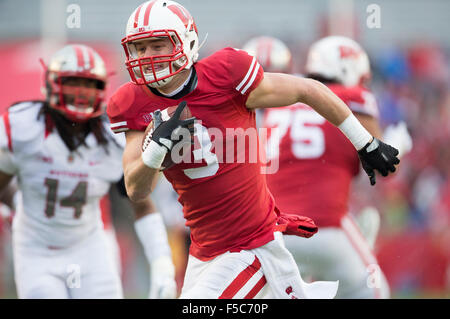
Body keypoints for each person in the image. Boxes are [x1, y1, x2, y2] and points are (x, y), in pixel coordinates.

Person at [107, 0, 400, 299]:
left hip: (252, 244)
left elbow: (308, 89)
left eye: (157, 45)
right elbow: (136, 188)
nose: (147, 56)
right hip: (204, 250)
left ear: (187, 41)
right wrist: (156, 150)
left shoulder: (226, 75)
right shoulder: (132, 103)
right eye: (140, 48)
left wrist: (366, 143)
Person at [0, 44, 176, 299]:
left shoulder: (111, 140)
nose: (81, 93)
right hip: (37, 249)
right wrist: (14, 203)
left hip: (90, 248)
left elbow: (141, 204)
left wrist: (162, 263)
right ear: (51, 84)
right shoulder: (22, 126)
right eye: (73, 83)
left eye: (89, 84)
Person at [262, 35, 411, 298]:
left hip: (274, 234)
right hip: (325, 227)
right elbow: (384, 166)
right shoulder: (352, 97)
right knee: (372, 291)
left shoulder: (280, 102)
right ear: (348, 68)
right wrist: (398, 144)